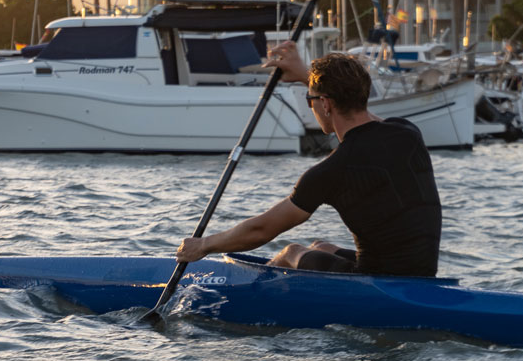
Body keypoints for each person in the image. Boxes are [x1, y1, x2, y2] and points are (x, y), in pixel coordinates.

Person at [176, 41, 441, 276]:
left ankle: (246, 295)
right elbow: (358, 115)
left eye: (310, 99)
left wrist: (204, 245)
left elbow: (262, 230)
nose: (310, 104)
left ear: (325, 104)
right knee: (320, 247)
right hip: (422, 272)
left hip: (379, 281)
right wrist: (309, 78)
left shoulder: (333, 170)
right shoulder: (407, 133)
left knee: (291, 252)